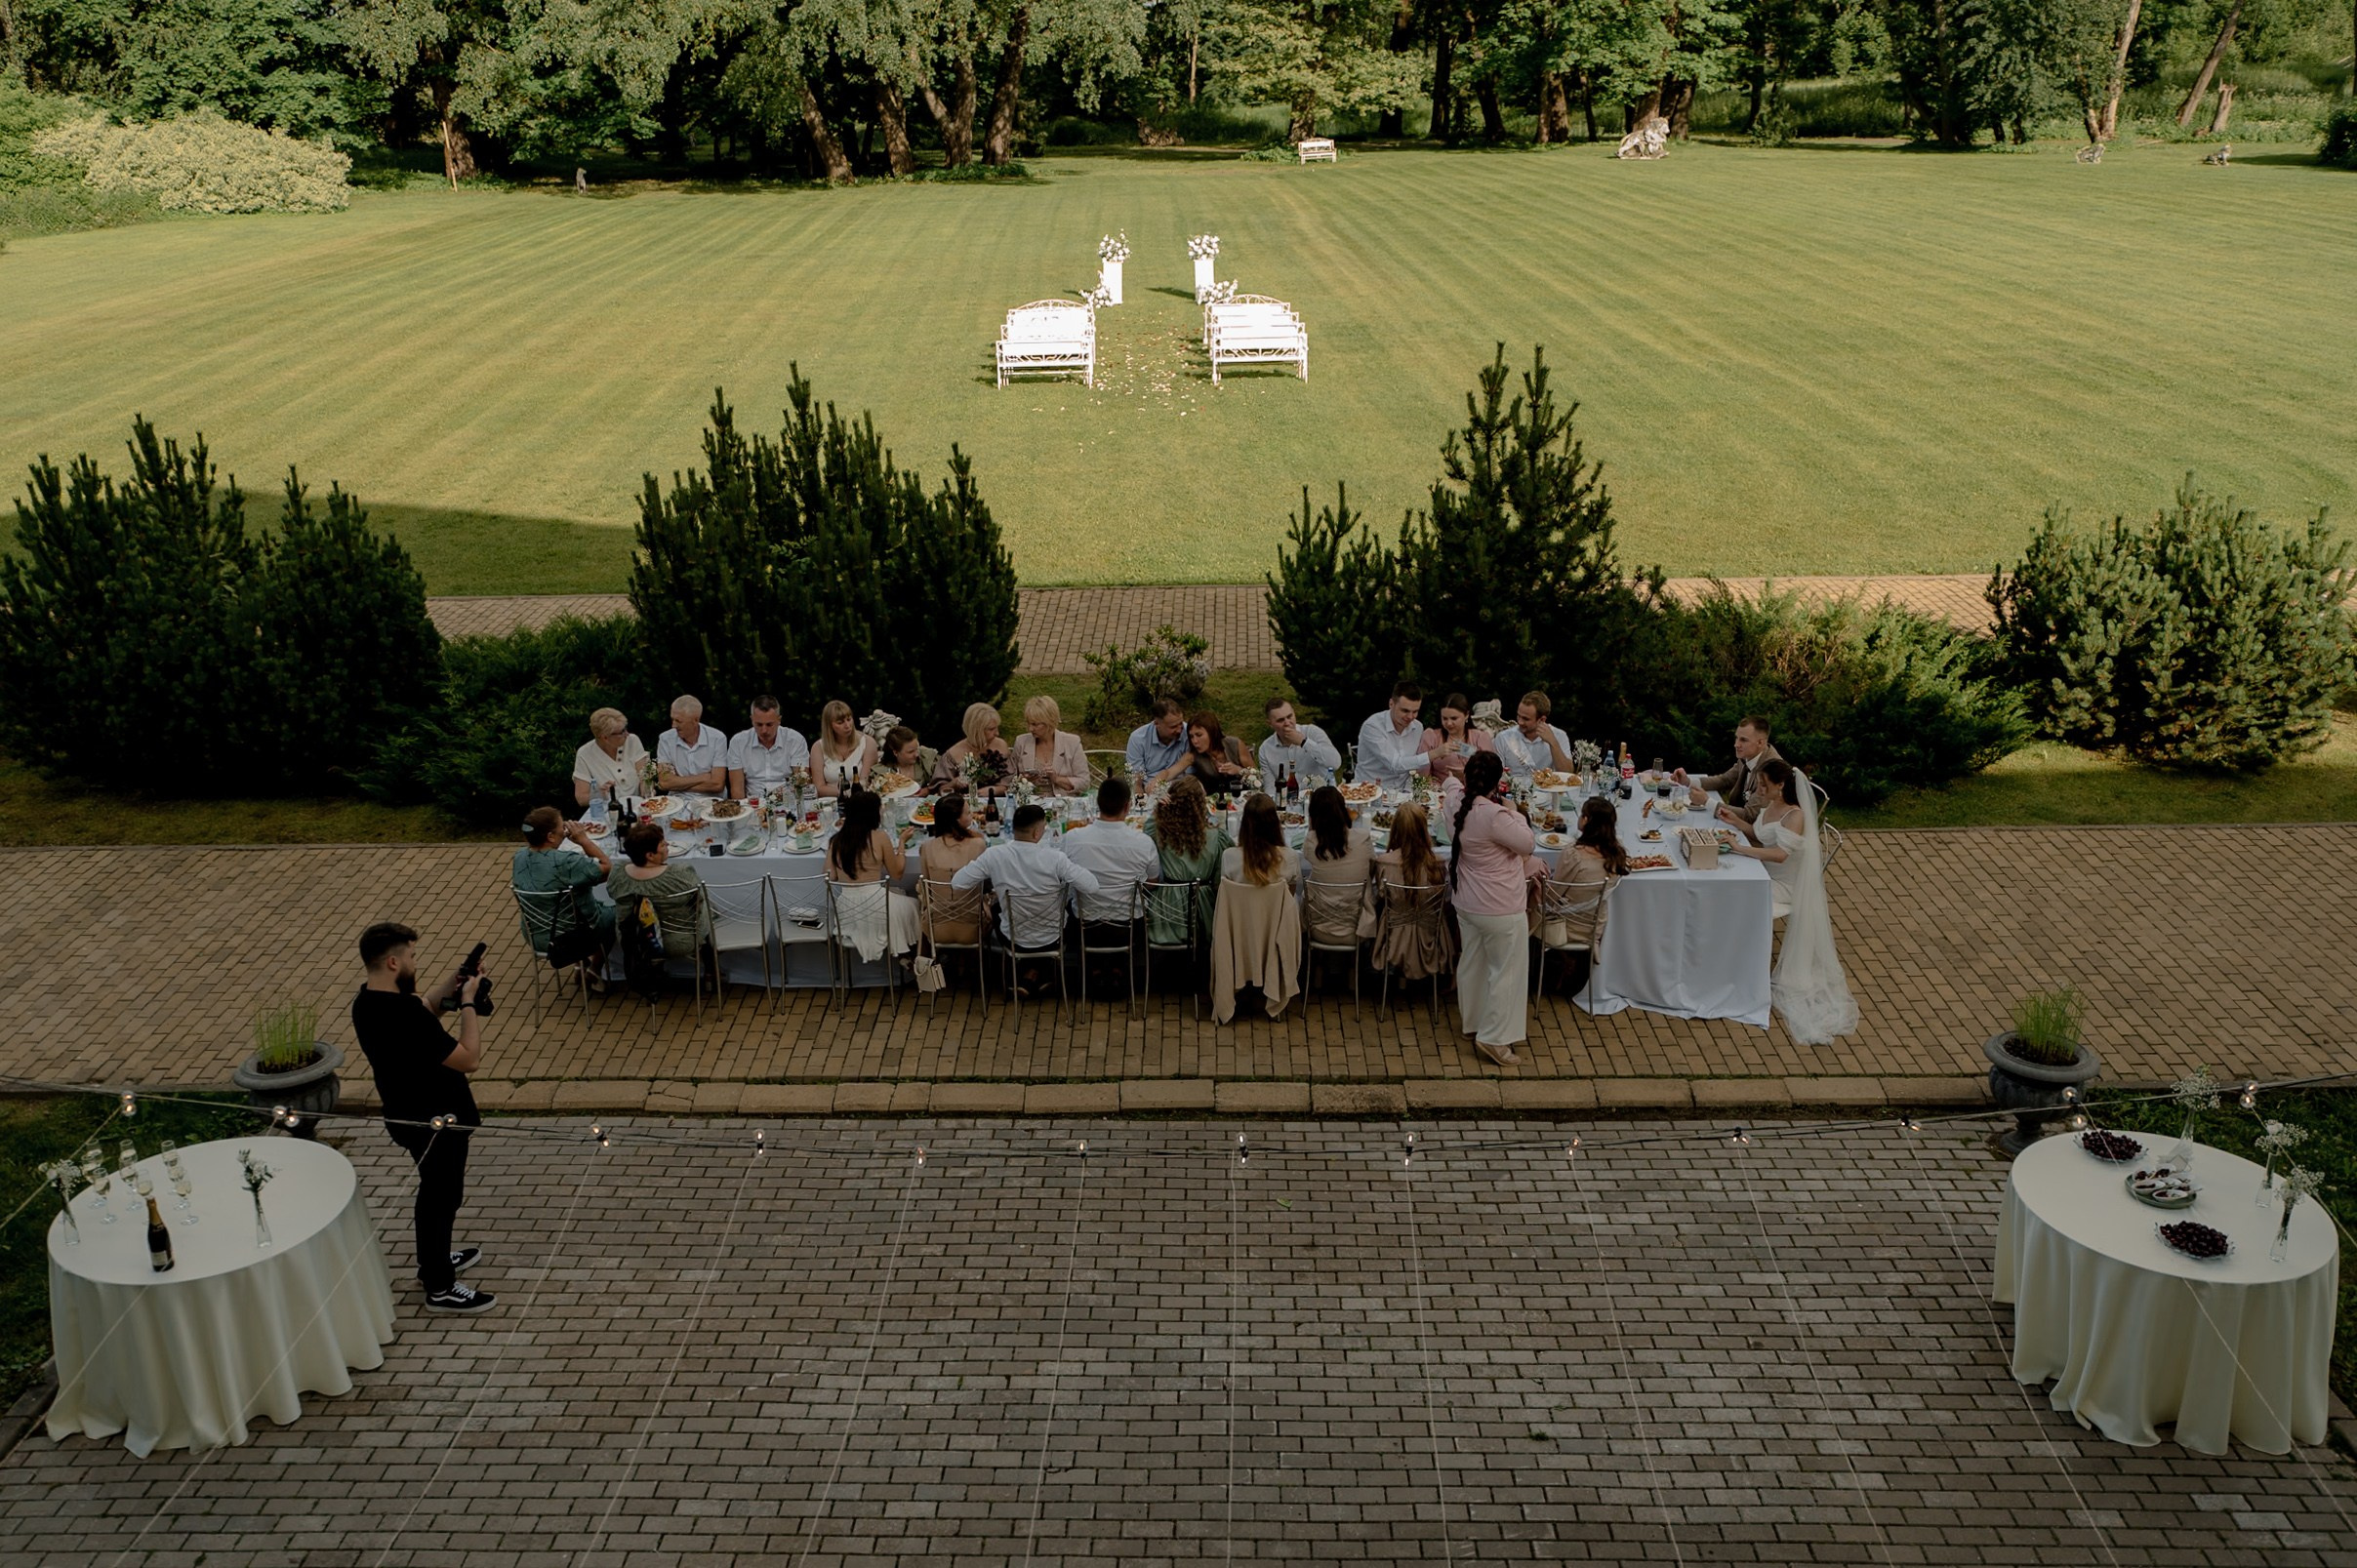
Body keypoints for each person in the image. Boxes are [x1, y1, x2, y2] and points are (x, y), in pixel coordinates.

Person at [349, 922, 495, 1313]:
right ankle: (439, 1286)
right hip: (436, 1121)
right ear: (394, 961)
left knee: (437, 1193)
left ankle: (434, 1260)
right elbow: (470, 1059)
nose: (416, 962)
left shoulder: (368, 1002)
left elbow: (426, 1008)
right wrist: (467, 1002)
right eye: (412, 956)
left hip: (406, 1115)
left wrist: (455, 980)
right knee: (441, 1197)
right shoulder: (402, 1017)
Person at [1730, 759, 1858, 1044]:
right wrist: (1734, 822)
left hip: (1784, 885)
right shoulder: (1771, 805)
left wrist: (1740, 849)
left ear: (1781, 785)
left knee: (1734, 894)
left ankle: (1737, 962)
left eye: (1764, 784)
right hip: (1764, 872)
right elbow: (1759, 834)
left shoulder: (1794, 816)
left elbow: (1779, 855)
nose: (1759, 789)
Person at [1443, 751, 1545, 1067]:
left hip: (1467, 902)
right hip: (1500, 907)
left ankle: (1472, 1023)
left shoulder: (1454, 802)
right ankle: (1494, 1037)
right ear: (1498, 781)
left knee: (1472, 963)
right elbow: (1527, 844)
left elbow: (1448, 784)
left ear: (1467, 777)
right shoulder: (1495, 816)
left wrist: (1452, 776)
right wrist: (1514, 812)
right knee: (1507, 973)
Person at [953, 803, 1101, 953]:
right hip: (1053, 937)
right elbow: (1092, 886)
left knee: (997, 907)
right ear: (1037, 833)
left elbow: (958, 883)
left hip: (1013, 938)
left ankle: (1023, 968)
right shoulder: (1056, 859)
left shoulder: (994, 855)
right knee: (1069, 904)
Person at [827, 788, 919, 961]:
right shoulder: (879, 837)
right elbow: (897, 873)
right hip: (878, 907)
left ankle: (905, 958)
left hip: (847, 910)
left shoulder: (836, 841)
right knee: (915, 904)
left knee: (898, 895)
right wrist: (901, 845)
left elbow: (829, 877)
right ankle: (912, 958)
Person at [510, 806, 615, 954]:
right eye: (562, 828)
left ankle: (581, 965)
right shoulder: (567, 862)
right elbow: (608, 867)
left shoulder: (519, 856)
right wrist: (584, 840)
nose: (565, 831)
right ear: (550, 836)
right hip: (571, 937)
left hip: (536, 936)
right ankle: (595, 969)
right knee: (618, 913)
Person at [1369, 803, 1454, 984]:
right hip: (1430, 935)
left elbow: (1380, 896)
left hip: (1392, 935)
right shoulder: (1437, 864)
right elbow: (1444, 900)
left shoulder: (1385, 862)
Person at [606, 821, 714, 954]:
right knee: (708, 909)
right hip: (677, 941)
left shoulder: (618, 873)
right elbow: (701, 898)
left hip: (633, 939)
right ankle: (709, 964)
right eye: (663, 845)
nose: (667, 845)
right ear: (650, 855)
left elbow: (611, 892)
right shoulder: (679, 874)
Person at [1064, 775, 1159, 928]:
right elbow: (1152, 883)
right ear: (1128, 807)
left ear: (1097, 803)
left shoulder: (1073, 838)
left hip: (1084, 924)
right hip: (1132, 924)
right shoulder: (1144, 843)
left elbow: (1064, 879)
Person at [1147, 777, 1230, 947]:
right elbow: (1219, 880)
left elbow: (1144, 835)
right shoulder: (1216, 837)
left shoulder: (1159, 832)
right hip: (1204, 913)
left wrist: (1157, 808)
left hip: (1166, 913)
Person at [915, 791, 990, 948]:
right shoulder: (978, 845)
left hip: (936, 928)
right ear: (957, 820)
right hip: (973, 929)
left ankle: (956, 963)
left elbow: (926, 888)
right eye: (968, 813)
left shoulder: (927, 847)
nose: (971, 816)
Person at [1301, 784, 1372, 947]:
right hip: (1358, 927)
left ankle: (1320, 966)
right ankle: (1349, 968)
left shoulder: (1311, 841)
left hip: (1318, 926)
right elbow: (1371, 870)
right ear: (1343, 810)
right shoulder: (1362, 837)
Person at [1677, 715, 1784, 824]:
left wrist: (1706, 801)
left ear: (1760, 743)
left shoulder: (1771, 770)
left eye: (1743, 740)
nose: (1736, 744)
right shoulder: (1750, 755)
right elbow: (1725, 780)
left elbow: (1749, 816)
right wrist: (1688, 781)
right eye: (1737, 738)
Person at [727, 696, 809, 800]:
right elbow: (737, 790)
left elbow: (801, 779)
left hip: (787, 800)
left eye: (769, 724)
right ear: (752, 720)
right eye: (759, 724)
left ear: (779, 720)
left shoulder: (795, 740)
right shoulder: (738, 742)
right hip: (752, 804)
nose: (764, 730)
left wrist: (778, 797)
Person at [1355, 682, 1432, 792]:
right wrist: (1432, 754)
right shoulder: (1372, 726)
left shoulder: (1418, 727)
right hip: (1370, 793)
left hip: (1402, 793)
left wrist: (1408, 792)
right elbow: (1396, 765)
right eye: (1405, 711)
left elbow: (1413, 767)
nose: (1410, 717)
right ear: (1391, 704)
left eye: (1415, 711)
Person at [1219, 792, 1301, 891]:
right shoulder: (1290, 857)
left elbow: (1228, 895)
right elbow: (1290, 896)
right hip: (1277, 906)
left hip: (1241, 906)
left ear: (1244, 825)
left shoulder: (1228, 856)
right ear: (1275, 824)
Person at [1158, 710, 1248, 794]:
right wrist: (1155, 784)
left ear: (1212, 732)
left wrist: (1238, 770)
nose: (1195, 741)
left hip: (1242, 800)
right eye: (1191, 736)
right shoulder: (1193, 755)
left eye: (1199, 735)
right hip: (1213, 805)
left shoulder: (1234, 744)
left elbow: (1257, 776)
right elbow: (1170, 772)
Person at [1011, 695, 1088, 793]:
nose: (1030, 729)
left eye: (1035, 724)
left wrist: (1056, 779)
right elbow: (1011, 781)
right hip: (1030, 803)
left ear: (1049, 722)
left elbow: (1084, 782)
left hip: (1062, 803)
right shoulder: (1021, 742)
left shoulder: (1072, 743)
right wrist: (1025, 781)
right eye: (1028, 723)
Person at [1257, 698, 1340, 788]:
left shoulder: (1313, 732)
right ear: (1270, 724)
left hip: (1321, 795)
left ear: (1294, 713)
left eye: (1289, 716)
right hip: (1288, 799)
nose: (1287, 723)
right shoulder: (1265, 749)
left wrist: (1304, 742)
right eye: (1280, 720)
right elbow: (1270, 786)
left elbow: (1335, 763)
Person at [656, 695, 728, 799]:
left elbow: (717, 785)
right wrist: (703, 777)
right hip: (677, 802)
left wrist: (677, 783)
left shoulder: (717, 738)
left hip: (711, 801)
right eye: (672, 719)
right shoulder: (665, 739)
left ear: (696, 720)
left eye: (678, 721)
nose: (673, 725)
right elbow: (664, 782)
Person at [1418, 692, 1496, 787]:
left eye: (1454, 718)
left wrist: (1466, 775)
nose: (1449, 723)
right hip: (1438, 793)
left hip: (1472, 792)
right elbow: (1421, 776)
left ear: (1466, 715)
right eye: (1445, 718)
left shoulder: (1480, 738)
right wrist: (1435, 754)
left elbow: (1491, 774)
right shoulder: (1431, 736)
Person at [572, 708, 646, 809]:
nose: (627, 734)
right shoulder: (584, 754)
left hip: (638, 806)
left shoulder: (633, 741)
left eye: (625, 728)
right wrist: (599, 794)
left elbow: (645, 776)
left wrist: (646, 793)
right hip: (609, 811)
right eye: (622, 732)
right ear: (605, 737)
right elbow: (581, 798)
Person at [933, 702, 1013, 792]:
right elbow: (939, 789)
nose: (997, 733)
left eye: (997, 728)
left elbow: (1011, 780)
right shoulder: (953, 754)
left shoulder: (1000, 745)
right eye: (991, 729)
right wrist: (954, 783)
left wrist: (995, 790)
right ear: (976, 730)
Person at [1494, 691, 1573, 781]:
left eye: (1526, 719)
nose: (1520, 722)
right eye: (1518, 716)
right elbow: (1495, 776)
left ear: (1542, 720)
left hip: (1547, 792)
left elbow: (1568, 774)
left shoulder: (1559, 736)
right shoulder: (1503, 738)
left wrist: (1553, 743)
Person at [811, 700, 877, 798]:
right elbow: (819, 787)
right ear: (830, 726)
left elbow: (865, 782)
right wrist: (843, 793)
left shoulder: (868, 743)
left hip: (859, 799)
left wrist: (849, 794)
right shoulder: (818, 748)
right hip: (830, 801)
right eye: (840, 722)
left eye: (849, 719)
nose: (847, 725)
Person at [1124, 697, 1190, 784]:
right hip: (1149, 790)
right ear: (1157, 723)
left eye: (1180, 724)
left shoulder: (1189, 734)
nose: (1179, 730)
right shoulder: (1138, 739)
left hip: (1182, 787)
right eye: (1173, 727)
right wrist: (1142, 797)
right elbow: (1137, 783)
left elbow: (1193, 773)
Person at [879, 724, 939, 792]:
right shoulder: (883, 773)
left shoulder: (926, 758)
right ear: (895, 752)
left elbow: (945, 780)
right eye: (911, 752)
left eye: (917, 749)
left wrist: (928, 790)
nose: (916, 754)